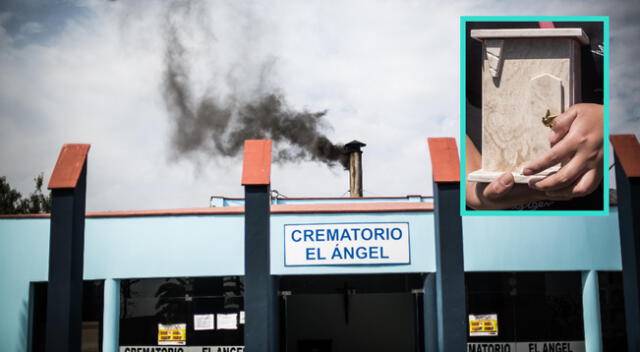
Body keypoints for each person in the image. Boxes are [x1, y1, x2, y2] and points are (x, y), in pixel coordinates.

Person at [465, 21, 604, 210]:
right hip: (496, 196)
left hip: (589, 201)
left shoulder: (605, 26)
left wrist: (604, 119)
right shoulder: (467, 30)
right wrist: (472, 191)